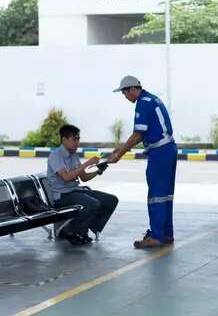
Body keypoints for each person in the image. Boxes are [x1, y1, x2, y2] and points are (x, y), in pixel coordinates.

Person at [108, 75, 177, 249]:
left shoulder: (143, 103)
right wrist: (119, 150)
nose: (125, 97)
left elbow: (138, 134)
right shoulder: (153, 99)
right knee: (165, 195)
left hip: (160, 152)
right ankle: (166, 233)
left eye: (125, 93)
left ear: (132, 89)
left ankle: (156, 236)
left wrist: (119, 154)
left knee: (156, 195)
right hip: (168, 148)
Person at [47, 125, 119, 246]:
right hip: (62, 195)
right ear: (64, 139)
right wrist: (87, 163)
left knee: (111, 200)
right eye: (74, 139)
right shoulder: (56, 156)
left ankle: (85, 229)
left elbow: (84, 177)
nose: (77, 143)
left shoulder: (73, 155)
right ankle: (68, 230)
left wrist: (99, 170)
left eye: (78, 139)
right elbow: (66, 177)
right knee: (93, 203)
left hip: (75, 190)